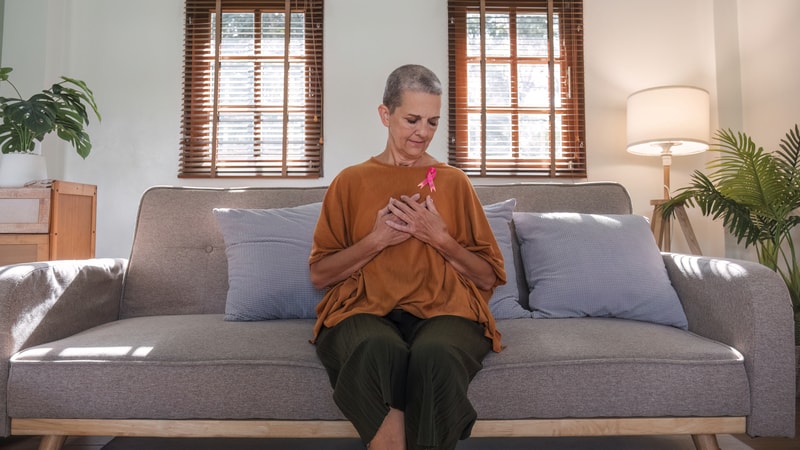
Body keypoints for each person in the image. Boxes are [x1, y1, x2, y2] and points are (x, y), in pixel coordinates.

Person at [309, 64, 505, 450]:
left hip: (447, 312)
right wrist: (377, 240)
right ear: (386, 115)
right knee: (378, 349)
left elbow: (487, 278)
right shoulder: (350, 181)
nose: (423, 132)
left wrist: (440, 239)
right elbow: (320, 275)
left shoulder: (454, 181)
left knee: (435, 356)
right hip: (361, 312)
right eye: (412, 119)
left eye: (433, 122)